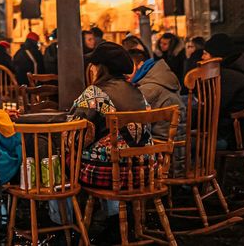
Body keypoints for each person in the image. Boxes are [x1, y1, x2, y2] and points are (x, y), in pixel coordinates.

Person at [69, 42, 148, 232]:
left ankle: (70, 223)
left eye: (94, 65)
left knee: (67, 156)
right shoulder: (137, 91)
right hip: (145, 170)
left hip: (112, 174)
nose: (91, 68)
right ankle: (115, 216)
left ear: (100, 68)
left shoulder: (95, 93)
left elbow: (74, 135)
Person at [202, 33, 244, 147]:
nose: (202, 58)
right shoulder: (237, 72)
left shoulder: (227, 77)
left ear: (216, 56)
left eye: (205, 54)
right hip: (242, 136)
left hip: (232, 139)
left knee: (186, 145)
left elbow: (211, 109)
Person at [129, 45, 185, 144]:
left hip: (162, 145)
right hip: (177, 140)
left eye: (128, 67)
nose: (125, 72)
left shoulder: (149, 88)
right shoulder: (161, 77)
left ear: (140, 65)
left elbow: (131, 119)